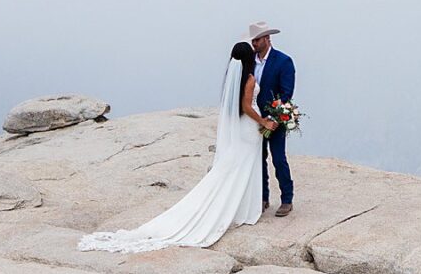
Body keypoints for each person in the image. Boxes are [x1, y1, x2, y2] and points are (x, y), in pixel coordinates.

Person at [78, 40, 278, 253]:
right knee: (244, 167)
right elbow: (247, 106)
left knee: (237, 167)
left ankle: (239, 207)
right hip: (248, 128)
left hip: (241, 127)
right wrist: (264, 121)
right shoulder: (248, 79)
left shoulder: (232, 78)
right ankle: (242, 209)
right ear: (248, 59)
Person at [249, 21, 295, 216]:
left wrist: (275, 117)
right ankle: (263, 197)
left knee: (278, 158)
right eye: (253, 40)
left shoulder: (283, 61)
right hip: (253, 119)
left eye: (257, 40)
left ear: (267, 39)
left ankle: (287, 199)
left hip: (275, 119)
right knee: (259, 159)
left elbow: (286, 93)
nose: (255, 43)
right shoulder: (249, 60)